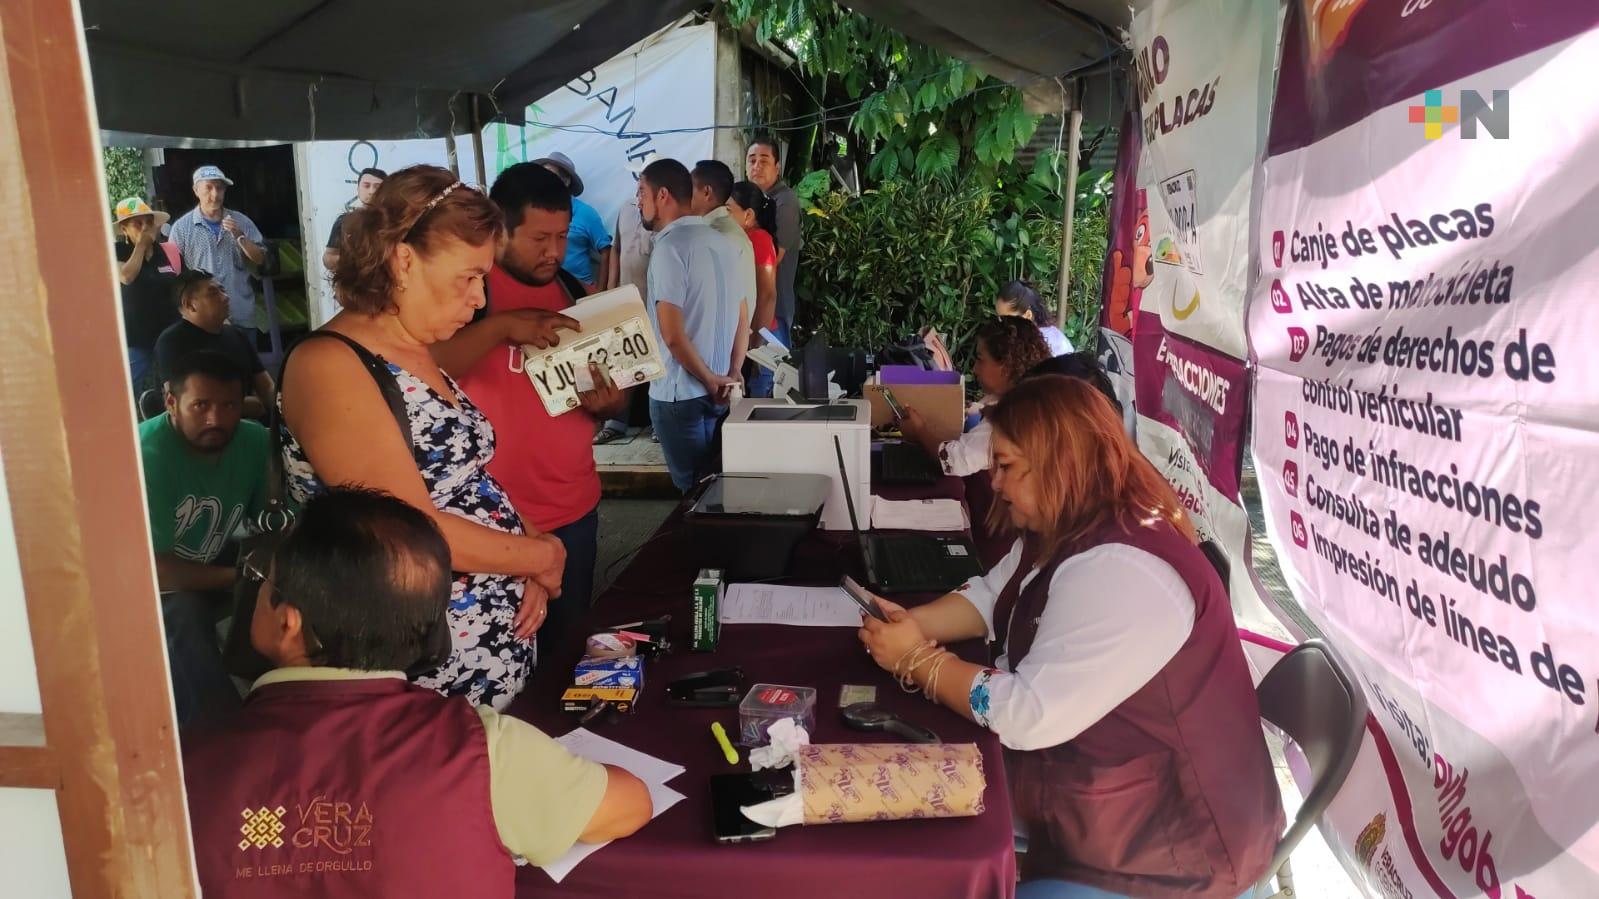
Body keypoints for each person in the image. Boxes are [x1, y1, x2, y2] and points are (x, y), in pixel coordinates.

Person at [857, 376, 1282, 899]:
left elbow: (1029, 715)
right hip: (1111, 809)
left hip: (1172, 857)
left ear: (1060, 460)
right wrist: (914, 625)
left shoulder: (1125, 569)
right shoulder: (1073, 522)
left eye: (1007, 465)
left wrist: (918, 661)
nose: (994, 481)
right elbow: (993, 593)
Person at [182, 487, 652, 898]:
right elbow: (631, 805)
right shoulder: (480, 748)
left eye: (263, 583)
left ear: (289, 623)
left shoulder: (179, 765)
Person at [278, 164, 571, 711]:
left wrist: (536, 549)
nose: (480, 298)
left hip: (486, 664)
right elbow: (407, 533)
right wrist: (535, 557)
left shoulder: (413, 349)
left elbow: (468, 481)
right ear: (403, 260)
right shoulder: (329, 366)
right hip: (416, 678)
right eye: (467, 277)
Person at [434, 162, 621, 663]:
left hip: (574, 508)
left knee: (565, 651)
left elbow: (615, 392)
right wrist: (501, 327)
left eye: (562, 236)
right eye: (539, 238)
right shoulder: (472, 295)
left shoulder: (575, 293)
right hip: (491, 522)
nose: (554, 251)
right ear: (500, 228)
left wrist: (608, 403)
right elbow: (425, 367)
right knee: (500, 655)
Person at [139, 351, 269, 725]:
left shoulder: (254, 442)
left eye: (229, 404)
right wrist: (242, 577)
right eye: (200, 405)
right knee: (183, 612)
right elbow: (154, 572)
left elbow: (273, 523)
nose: (216, 418)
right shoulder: (145, 456)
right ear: (171, 403)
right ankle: (220, 738)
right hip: (145, 585)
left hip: (213, 561)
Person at [637, 159, 748, 492]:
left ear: (663, 196)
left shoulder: (671, 248)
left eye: (642, 192)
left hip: (680, 394)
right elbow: (742, 317)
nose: (638, 202)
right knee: (716, 487)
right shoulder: (726, 244)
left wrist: (709, 378)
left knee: (693, 494)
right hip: (720, 387)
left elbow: (671, 335)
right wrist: (732, 370)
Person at [899, 316, 1049, 477]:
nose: (974, 369)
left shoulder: (1013, 415)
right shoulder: (1028, 398)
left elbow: (956, 460)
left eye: (980, 360)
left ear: (1007, 364)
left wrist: (919, 430)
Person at [168, 165, 267, 346]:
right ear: (196, 190)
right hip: (203, 321)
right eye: (208, 187)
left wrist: (239, 235)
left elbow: (261, 259)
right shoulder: (180, 229)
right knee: (211, 372)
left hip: (241, 315)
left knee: (245, 371)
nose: (215, 194)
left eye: (219, 187)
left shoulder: (242, 221)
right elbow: (174, 274)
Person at [155, 270, 275, 419]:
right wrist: (246, 406)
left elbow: (267, 387)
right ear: (190, 305)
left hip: (252, 427)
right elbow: (182, 404)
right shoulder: (172, 342)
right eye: (213, 293)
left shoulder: (236, 335)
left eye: (222, 290)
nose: (225, 297)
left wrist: (279, 405)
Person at [594, 194, 655, 445]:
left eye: (645, 187)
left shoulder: (669, 213)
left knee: (658, 364)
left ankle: (658, 426)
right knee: (623, 362)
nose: (639, 194)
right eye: (638, 186)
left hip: (657, 301)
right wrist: (610, 288)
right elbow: (616, 249)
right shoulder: (627, 207)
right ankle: (616, 423)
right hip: (627, 297)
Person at [113, 196, 183, 396]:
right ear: (125, 229)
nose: (145, 228)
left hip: (170, 335)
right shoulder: (117, 251)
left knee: (178, 388)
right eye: (138, 223)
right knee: (125, 391)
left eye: (149, 222)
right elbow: (126, 276)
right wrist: (141, 247)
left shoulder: (169, 251)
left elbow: (183, 285)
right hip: (136, 337)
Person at [691, 160, 755, 340]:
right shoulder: (720, 230)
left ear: (706, 192)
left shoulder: (719, 236)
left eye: (690, 188)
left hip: (721, 343)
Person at [727, 180, 781, 397]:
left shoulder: (758, 240)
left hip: (758, 335)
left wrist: (755, 344)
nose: (723, 217)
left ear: (748, 215)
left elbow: (767, 295)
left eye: (728, 210)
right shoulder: (741, 239)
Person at [745, 136, 800, 348]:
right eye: (752, 160)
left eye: (764, 160)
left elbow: (775, 258)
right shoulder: (752, 200)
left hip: (775, 310)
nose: (757, 166)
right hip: (753, 307)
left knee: (772, 376)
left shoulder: (784, 201)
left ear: (777, 167)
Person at [538, 152, 611, 291]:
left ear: (566, 181)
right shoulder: (535, 213)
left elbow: (606, 251)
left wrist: (600, 292)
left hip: (579, 291)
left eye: (550, 176)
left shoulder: (586, 213)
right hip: (546, 290)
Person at [322, 166, 386, 270]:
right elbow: (328, 257)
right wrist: (351, 261)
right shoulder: (344, 222)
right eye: (366, 186)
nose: (371, 191)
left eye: (377, 187)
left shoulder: (394, 221)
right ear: (358, 188)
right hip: (354, 282)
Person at [996, 279, 1074, 356]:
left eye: (1007, 320)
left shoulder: (1041, 343)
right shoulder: (1043, 335)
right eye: (1000, 319)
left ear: (1028, 316)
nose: (1002, 325)